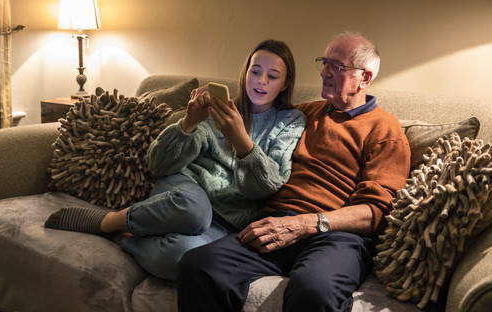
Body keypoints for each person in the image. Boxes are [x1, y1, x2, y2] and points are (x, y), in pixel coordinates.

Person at [176, 31, 411, 312]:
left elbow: (377, 211)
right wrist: (211, 98)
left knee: (313, 290)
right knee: (197, 266)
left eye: (336, 66)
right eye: (323, 63)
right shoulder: (302, 113)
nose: (324, 72)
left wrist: (306, 224)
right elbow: (255, 106)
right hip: (272, 223)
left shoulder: (386, 129)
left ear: (365, 78)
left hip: (334, 234)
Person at [44, 39, 306, 281]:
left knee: (187, 258)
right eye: (255, 71)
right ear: (245, 72)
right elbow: (157, 165)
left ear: (284, 84)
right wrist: (189, 123)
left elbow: (266, 186)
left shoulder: (290, 121)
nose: (261, 81)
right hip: (184, 193)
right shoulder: (219, 107)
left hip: (227, 222)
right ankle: (109, 220)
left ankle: (123, 237)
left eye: (272, 76)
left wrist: (242, 143)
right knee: (195, 210)